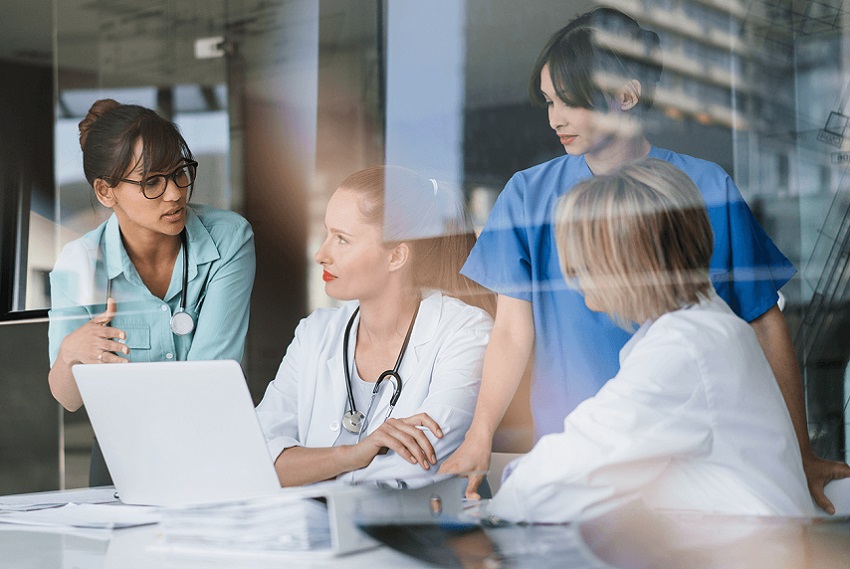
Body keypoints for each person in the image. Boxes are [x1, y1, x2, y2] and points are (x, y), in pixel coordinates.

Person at [440, 7, 850, 511]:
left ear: (626, 96)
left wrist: (801, 452)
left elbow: (764, 323)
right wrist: (480, 434)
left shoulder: (704, 190)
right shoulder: (528, 195)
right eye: (549, 101)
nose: (555, 118)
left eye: (570, 100)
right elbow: (510, 332)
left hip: (688, 465)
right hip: (578, 456)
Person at [488, 158, 815, 522]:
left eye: (585, 263)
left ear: (631, 263)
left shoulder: (683, 349)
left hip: (751, 544)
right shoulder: (699, 328)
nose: (576, 278)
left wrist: (501, 495)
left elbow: (552, 479)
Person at [48, 99, 256, 484]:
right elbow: (68, 398)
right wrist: (70, 354)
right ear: (105, 191)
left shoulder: (228, 239)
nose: (174, 193)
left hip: (207, 445)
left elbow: (208, 378)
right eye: (152, 182)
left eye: (179, 173)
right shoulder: (80, 263)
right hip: (121, 455)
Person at [255, 166, 493, 486]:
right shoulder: (315, 333)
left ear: (396, 257)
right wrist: (352, 454)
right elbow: (256, 458)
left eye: (342, 239)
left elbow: (418, 465)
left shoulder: (465, 332)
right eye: (327, 234)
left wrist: (304, 467)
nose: (321, 254)